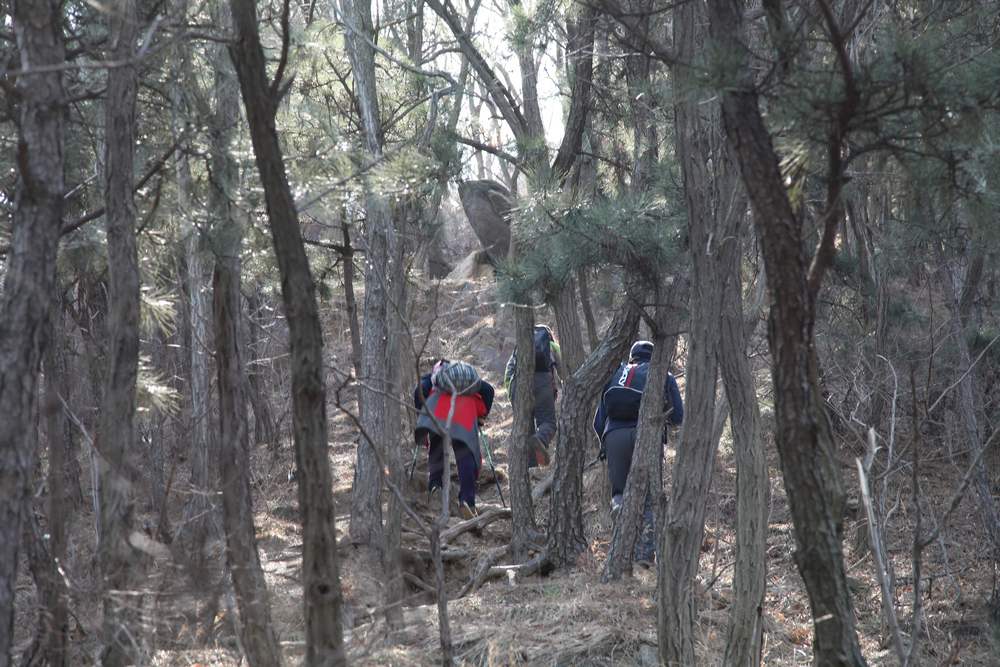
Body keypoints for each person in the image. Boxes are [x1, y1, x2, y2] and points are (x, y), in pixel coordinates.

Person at [593, 340, 683, 564]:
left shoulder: (617, 373)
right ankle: (644, 556)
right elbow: (678, 416)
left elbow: (597, 422)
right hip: (646, 437)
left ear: (632, 357)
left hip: (614, 436)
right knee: (649, 499)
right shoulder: (661, 374)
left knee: (620, 493)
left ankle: (622, 542)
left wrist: (606, 442)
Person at [414, 359, 495, 519]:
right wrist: (482, 417)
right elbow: (489, 390)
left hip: (438, 414)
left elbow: (419, 390)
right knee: (465, 455)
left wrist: (421, 416)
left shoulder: (433, 378)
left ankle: (435, 486)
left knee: (436, 447)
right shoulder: (469, 382)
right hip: (464, 413)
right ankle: (467, 501)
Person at [504, 324, 562, 467]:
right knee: (548, 423)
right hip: (542, 383)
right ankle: (541, 439)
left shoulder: (521, 347)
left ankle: (530, 468)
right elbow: (564, 370)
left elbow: (507, 373)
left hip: (518, 384)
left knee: (526, 429)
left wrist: (512, 396)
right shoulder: (552, 346)